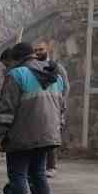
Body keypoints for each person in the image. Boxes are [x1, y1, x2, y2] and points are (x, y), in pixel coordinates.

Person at [0, 41, 65, 194]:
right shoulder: (54, 74)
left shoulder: (16, 75)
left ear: (16, 59)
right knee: (38, 174)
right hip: (48, 134)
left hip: (22, 135)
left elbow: (6, 110)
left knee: (18, 175)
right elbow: (61, 107)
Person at [34, 40, 69, 176]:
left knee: (51, 135)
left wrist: (61, 106)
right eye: (36, 50)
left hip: (54, 106)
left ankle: (51, 166)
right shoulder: (34, 67)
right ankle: (39, 166)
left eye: (41, 49)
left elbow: (65, 87)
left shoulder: (57, 67)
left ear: (48, 49)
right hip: (39, 105)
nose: (38, 52)